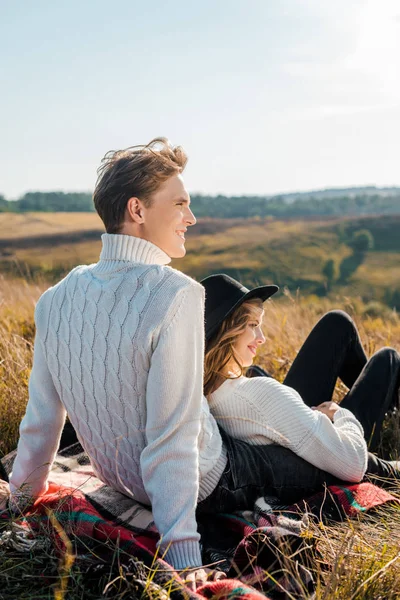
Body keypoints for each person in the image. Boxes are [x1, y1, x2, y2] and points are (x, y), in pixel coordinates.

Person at [6, 138, 227, 590]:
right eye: (181, 204)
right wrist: (183, 559)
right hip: (206, 479)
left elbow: (42, 420)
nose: (191, 217)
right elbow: (173, 436)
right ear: (137, 210)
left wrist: (19, 499)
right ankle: (375, 459)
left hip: (120, 480)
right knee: (293, 443)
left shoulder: (55, 297)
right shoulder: (177, 294)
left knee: (244, 393)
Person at [197, 273, 400, 515]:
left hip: (288, 425)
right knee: (387, 358)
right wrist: (340, 414)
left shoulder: (201, 390)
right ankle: (387, 412)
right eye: (252, 326)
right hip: (331, 448)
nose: (262, 338)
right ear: (226, 333)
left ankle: (386, 409)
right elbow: (354, 464)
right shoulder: (260, 394)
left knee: (337, 323)